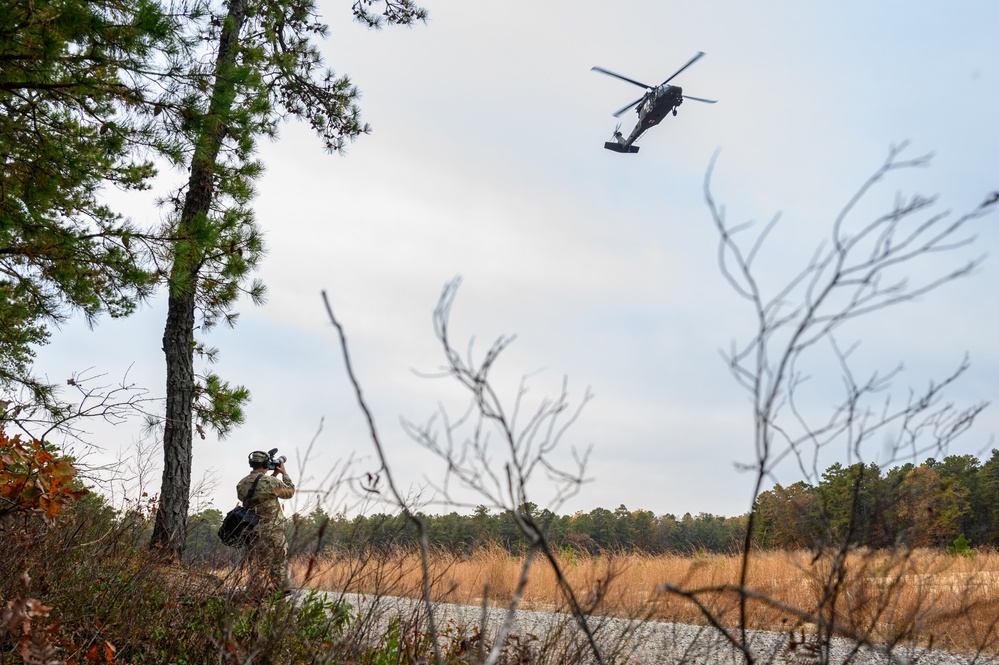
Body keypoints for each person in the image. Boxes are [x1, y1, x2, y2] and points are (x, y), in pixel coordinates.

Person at [236, 450, 295, 600]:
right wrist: (284, 474)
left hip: (252, 531)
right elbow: (289, 492)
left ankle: (254, 595)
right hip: (272, 532)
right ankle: (281, 592)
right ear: (266, 464)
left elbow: (259, 491)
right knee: (278, 562)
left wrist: (271, 476)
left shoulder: (242, 483)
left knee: (258, 565)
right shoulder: (271, 482)